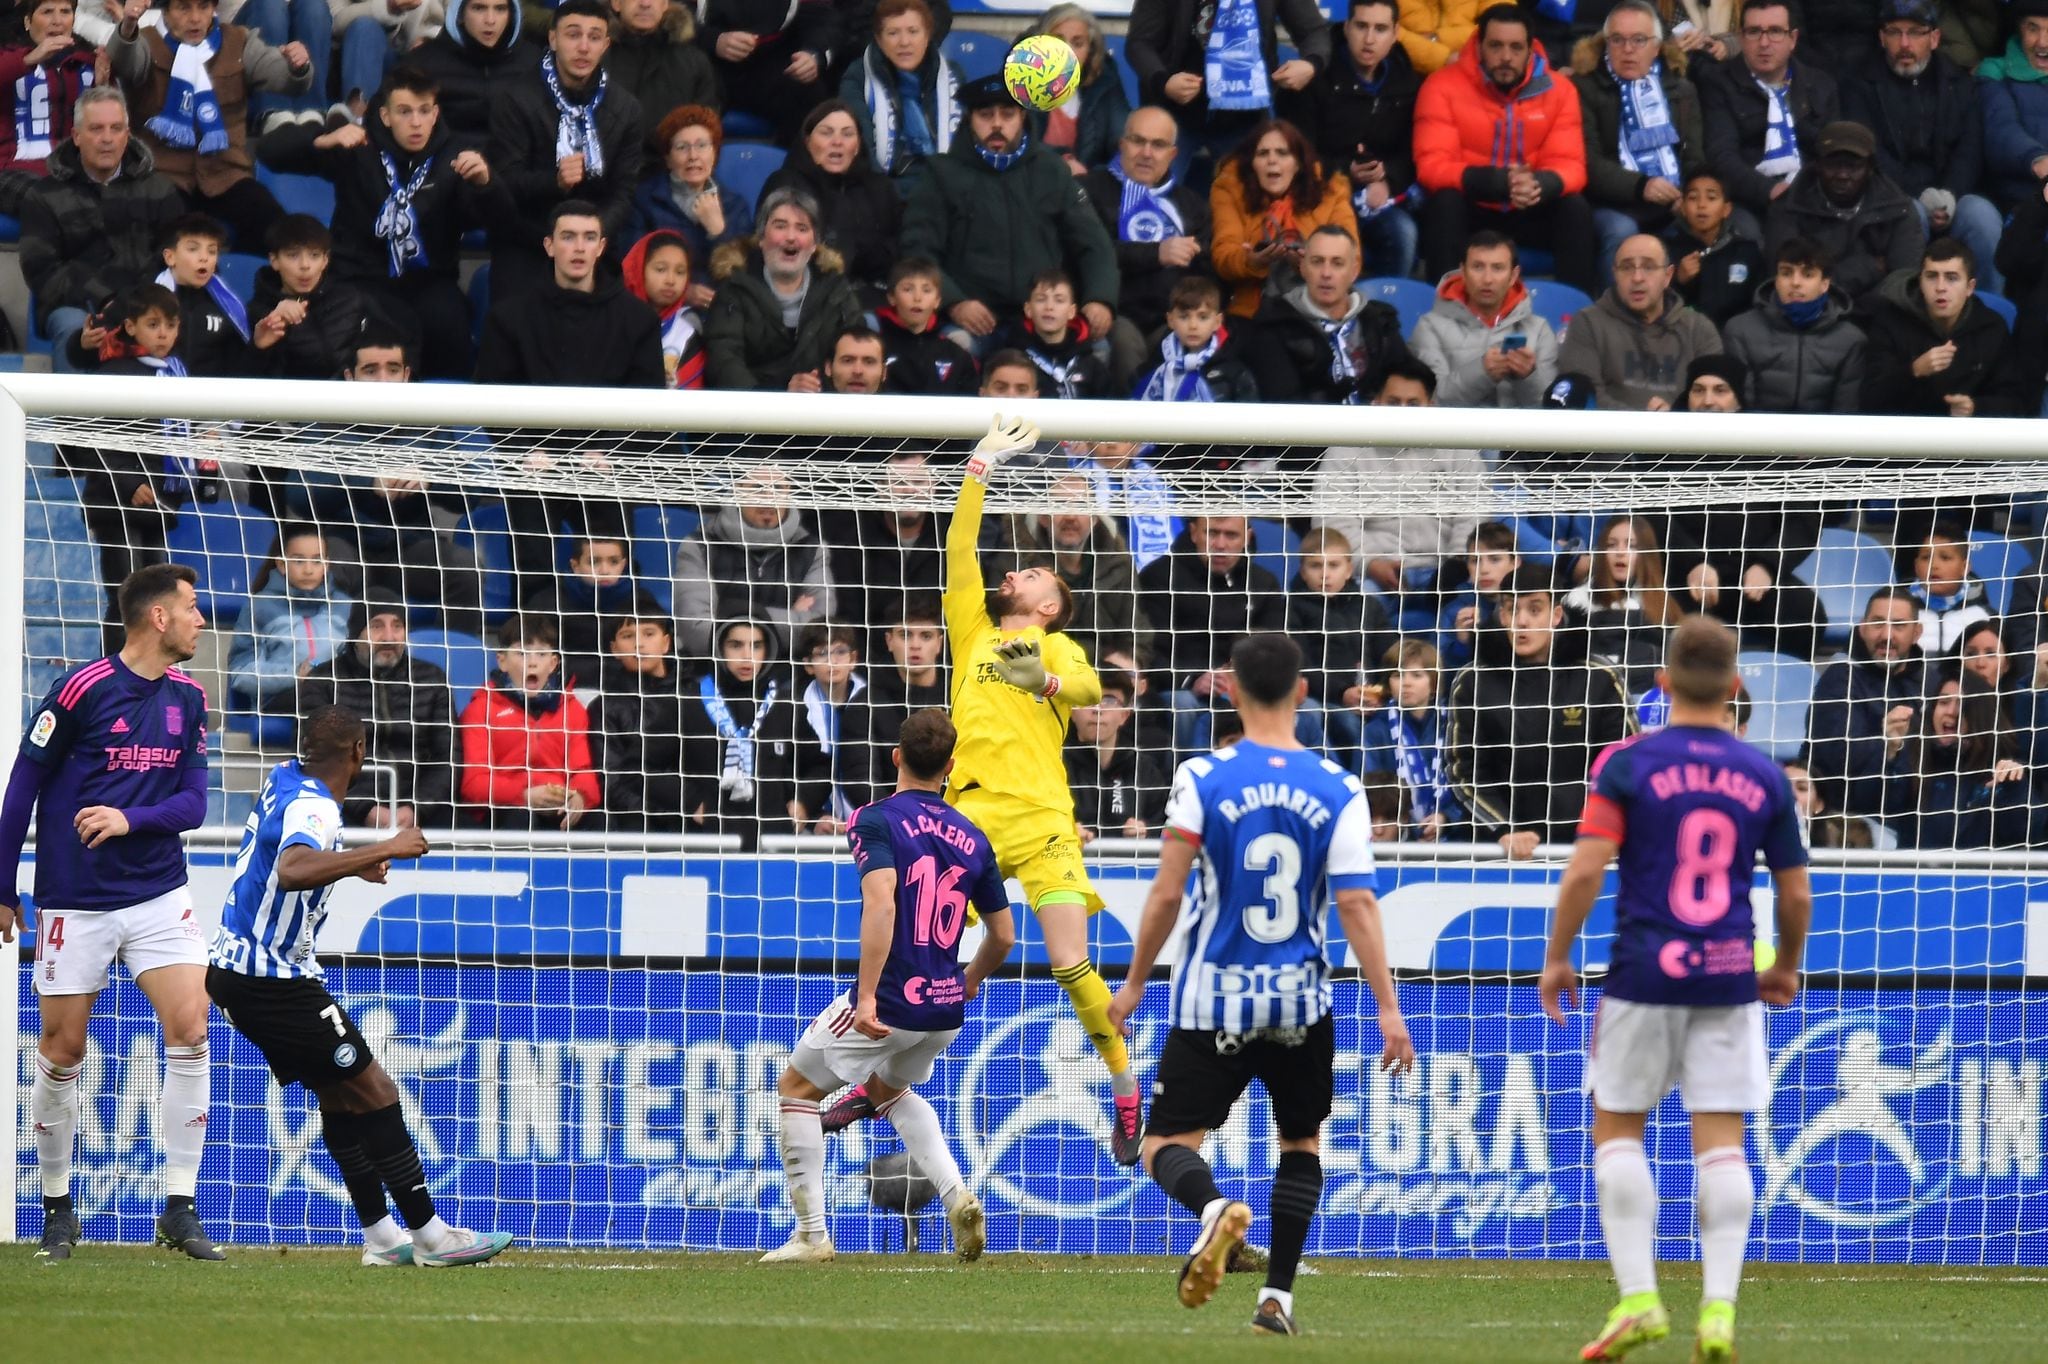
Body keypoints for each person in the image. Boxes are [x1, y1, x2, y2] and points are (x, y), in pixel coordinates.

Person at [824, 416, 1136, 1158]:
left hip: (1049, 821)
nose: (1013, 573)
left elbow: (1092, 686)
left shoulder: (1055, 645)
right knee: (927, 963)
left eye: (1030, 575)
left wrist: (1048, 679)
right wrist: (980, 464)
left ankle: (1125, 1090)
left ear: (1051, 604)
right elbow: (959, 547)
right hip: (971, 822)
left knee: (1069, 963)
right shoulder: (971, 630)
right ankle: (877, 1086)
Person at [1107, 631, 1414, 1338]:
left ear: (1233, 693)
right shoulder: (1339, 788)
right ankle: (1277, 1299)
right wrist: (1388, 1009)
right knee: (1300, 1145)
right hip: (1302, 1000)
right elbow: (1357, 904)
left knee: (1164, 1146)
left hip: (1212, 995)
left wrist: (1130, 988)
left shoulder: (1201, 777)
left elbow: (1166, 892)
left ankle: (1214, 1211)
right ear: (1302, 694)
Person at [1540, 615, 1811, 1364]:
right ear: (1735, 687)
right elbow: (1795, 893)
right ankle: (1718, 1312)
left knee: (1617, 1129)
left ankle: (1639, 1299)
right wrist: (1785, 964)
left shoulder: (1625, 763)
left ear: (1660, 682)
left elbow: (1587, 868)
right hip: (1728, 974)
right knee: (1722, 1146)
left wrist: (1558, 956)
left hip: (1641, 973)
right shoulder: (1764, 776)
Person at [205, 707, 514, 1268]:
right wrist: (384, 848)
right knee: (375, 1090)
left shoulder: (285, 777)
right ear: (358, 753)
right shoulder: (316, 806)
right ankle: (431, 1236)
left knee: (338, 1094)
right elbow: (294, 868)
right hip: (271, 979)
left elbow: (287, 854)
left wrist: (351, 864)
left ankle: (380, 1236)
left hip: (237, 969)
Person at [0, 564, 219, 1261]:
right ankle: (58, 1208)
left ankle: (179, 1209)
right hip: (76, 900)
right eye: (191, 608)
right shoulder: (79, 690)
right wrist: (3, 888)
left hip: (160, 892)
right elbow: (21, 789)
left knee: (191, 1028)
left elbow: (194, 805)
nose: (201, 620)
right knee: (63, 1050)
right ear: (158, 618)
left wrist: (129, 819)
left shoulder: (191, 695)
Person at [766, 707, 1014, 1263]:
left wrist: (869, 997)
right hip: (943, 1011)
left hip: (894, 999)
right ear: (950, 766)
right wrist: (968, 981)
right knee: (890, 1091)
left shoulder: (875, 819)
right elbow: (1003, 935)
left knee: (796, 1091)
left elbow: (880, 904)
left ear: (896, 756)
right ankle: (957, 1198)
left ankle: (811, 1237)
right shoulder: (973, 837)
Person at [255, 66, 501, 380]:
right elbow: (268, 152)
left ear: (435, 113)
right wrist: (321, 139)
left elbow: (497, 220)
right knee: (352, 320)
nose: (415, 122)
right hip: (357, 278)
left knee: (448, 318)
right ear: (385, 116)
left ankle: (446, 423)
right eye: (404, 111)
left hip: (429, 280)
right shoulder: (358, 147)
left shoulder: (454, 156)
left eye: (424, 111)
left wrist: (486, 184)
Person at [899, 74, 1121, 354]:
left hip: (1042, 315)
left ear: (1023, 117)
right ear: (969, 119)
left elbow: (1095, 244)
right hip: (971, 319)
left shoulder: (1051, 171)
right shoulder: (941, 174)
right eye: (985, 114)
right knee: (955, 351)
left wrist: (1100, 299)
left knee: (1099, 350)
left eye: (1007, 114)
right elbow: (918, 251)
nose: (996, 124)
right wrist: (955, 303)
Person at [1447, 563, 1635, 857]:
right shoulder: (1473, 680)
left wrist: (1598, 829)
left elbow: (1623, 763)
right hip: (1499, 852)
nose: (1521, 621)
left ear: (1556, 615)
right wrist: (1503, 829)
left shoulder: (1598, 677)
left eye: (1534, 610)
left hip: (1587, 846)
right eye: (1511, 609)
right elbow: (1464, 772)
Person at [1414, 4, 1597, 292]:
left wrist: (1541, 184)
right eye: (1496, 46)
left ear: (1530, 49)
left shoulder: (1560, 90)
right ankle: (1444, 308)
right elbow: (1431, 165)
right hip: (1472, 205)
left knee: (1574, 208)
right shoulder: (1441, 86)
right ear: (1479, 46)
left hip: (1529, 206)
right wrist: (1493, 181)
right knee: (1444, 202)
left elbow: (1571, 164)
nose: (1506, 57)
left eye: (1515, 47)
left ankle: (1576, 315)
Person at [107, 0, 311, 247]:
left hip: (227, 174)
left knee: (281, 234)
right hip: (165, 176)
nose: (195, 18)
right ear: (166, 12)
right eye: (184, 8)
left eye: (203, 7)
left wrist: (298, 66)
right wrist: (128, 26)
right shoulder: (148, 42)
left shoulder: (238, 41)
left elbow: (285, 78)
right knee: (162, 240)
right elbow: (124, 62)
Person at [487, 0, 644, 302]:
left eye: (594, 37)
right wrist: (553, 182)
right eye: (573, 35)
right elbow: (504, 182)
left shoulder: (626, 109)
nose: (584, 47)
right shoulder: (514, 99)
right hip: (528, 241)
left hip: (595, 245)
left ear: (606, 45)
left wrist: (589, 238)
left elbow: (623, 193)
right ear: (553, 39)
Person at [1841, 0, 2001, 293]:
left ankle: (1991, 314)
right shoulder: (1859, 84)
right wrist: (1918, 196)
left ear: (1935, 38)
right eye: (1894, 32)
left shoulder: (1959, 83)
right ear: (1881, 37)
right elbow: (1870, 154)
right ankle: (1911, 313)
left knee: (1982, 216)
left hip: (1951, 195)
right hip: (1896, 196)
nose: (1904, 43)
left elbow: (1969, 150)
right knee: (1910, 213)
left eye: (1915, 33)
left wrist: (1950, 195)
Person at [20, 86, 186, 368]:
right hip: (78, 306)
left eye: (116, 128)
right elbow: (42, 271)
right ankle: (71, 414)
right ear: (76, 137)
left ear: (127, 134)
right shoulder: (43, 196)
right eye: (96, 129)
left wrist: (136, 303)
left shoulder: (160, 189)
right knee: (75, 327)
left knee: (188, 319)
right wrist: (104, 298)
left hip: (149, 303)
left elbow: (175, 255)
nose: (107, 139)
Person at [1310, 359, 1488, 605]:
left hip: (1447, 573)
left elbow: (1474, 514)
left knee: (1473, 608)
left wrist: (1455, 564)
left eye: (1413, 404)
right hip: (1372, 576)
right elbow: (1332, 523)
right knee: (1357, 605)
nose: (1403, 411)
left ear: (1431, 406)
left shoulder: (1459, 447)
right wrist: (1372, 563)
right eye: (1394, 402)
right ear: (1376, 404)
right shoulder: (1345, 449)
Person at [1569, 0, 1708, 272]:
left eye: (1639, 40)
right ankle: (1614, 311)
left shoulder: (1682, 89)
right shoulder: (1583, 87)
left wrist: (1689, 194)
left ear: (1657, 47)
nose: (1628, 49)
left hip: (1671, 197)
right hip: (1607, 202)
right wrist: (1641, 185)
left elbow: (1693, 156)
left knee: (1706, 221)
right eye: (1618, 40)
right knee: (1623, 231)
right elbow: (1590, 163)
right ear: (1605, 43)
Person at [298, 598, 456, 829]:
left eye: (397, 626)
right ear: (356, 633)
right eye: (377, 626)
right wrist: (364, 808)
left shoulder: (431, 680)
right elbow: (315, 758)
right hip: (344, 807)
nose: (389, 637)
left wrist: (416, 808)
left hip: (420, 810)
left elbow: (449, 757)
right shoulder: (324, 681)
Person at [473, 199, 666, 387]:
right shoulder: (507, 319)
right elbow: (494, 406)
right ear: (549, 246)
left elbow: (646, 408)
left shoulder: (640, 321)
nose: (579, 248)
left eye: (589, 237)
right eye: (568, 237)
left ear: (601, 247)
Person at [1137, 514, 1289, 741]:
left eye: (1231, 535)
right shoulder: (1158, 577)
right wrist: (1193, 679)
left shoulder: (1264, 583)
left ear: (1247, 537)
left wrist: (1242, 676)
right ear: (1193, 532)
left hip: (1245, 687)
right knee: (1182, 703)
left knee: (1308, 708)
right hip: (1182, 687)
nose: (1220, 544)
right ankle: (1182, 774)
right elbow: (1149, 652)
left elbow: (1276, 645)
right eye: (1212, 533)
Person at [1081, 106, 1209, 376]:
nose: (1147, 153)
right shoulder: (1089, 189)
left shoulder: (1191, 205)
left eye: (1159, 145)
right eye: (1138, 141)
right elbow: (1092, 251)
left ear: (1173, 154)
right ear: (1122, 144)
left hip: (1173, 318)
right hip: (1115, 313)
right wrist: (1157, 253)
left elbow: (1206, 268)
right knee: (1125, 345)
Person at [1301, 0, 1422, 280]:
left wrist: (1387, 178)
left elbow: (1413, 153)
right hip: (1320, 196)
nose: (1369, 39)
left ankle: (1385, 318)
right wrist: (1345, 171)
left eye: (1380, 29)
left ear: (1395, 34)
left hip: (1378, 198)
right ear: (1346, 28)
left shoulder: (1406, 81)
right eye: (1361, 26)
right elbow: (1296, 153)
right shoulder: (1316, 77)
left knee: (1403, 233)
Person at [704, 184, 864, 391]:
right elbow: (723, 362)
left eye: (802, 228)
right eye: (780, 226)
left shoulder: (837, 291)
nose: (791, 237)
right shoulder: (734, 289)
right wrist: (781, 393)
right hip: (754, 415)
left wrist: (815, 389)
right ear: (761, 237)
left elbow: (856, 356)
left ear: (815, 243)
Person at [1123, 0, 1332, 158]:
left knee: (1252, 201)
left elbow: (1313, 32)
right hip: (1173, 113)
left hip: (1243, 115)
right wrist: (1164, 82)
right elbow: (1139, 43)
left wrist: (1311, 63)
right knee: (1148, 197)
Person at [1696, 0, 1839, 229]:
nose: (1764, 43)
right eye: (1754, 32)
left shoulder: (1820, 84)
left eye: (1775, 32)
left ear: (1792, 39)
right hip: (1748, 200)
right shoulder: (1718, 83)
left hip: (1813, 195)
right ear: (1741, 38)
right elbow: (1722, 157)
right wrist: (1770, 190)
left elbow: (1833, 152)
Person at [672, 464, 835, 658]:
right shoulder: (699, 545)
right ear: (737, 490)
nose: (768, 498)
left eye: (777, 488)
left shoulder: (812, 550)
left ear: (789, 493)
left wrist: (726, 615)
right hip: (713, 674)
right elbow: (696, 631)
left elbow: (819, 631)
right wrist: (789, 617)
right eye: (757, 488)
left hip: (789, 674)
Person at [459, 613, 602, 830]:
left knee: (597, 822)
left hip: (557, 804)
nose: (533, 662)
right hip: (503, 808)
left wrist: (580, 797)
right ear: (502, 661)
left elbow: (582, 770)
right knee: (520, 818)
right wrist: (525, 795)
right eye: (522, 653)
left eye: (542, 654)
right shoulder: (480, 709)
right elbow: (474, 783)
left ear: (554, 663)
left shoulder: (572, 709)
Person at [1244, 223, 1409, 409]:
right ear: (1303, 267)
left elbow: (1410, 384)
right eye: (1317, 261)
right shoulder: (1273, 325)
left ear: (1354, 271)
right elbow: (1285, 409)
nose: (1326, 273)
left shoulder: (1381, 320)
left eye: (1337, 263)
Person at [1762, 119, 1923, 308]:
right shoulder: (1788, 207)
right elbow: (1789, 284)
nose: (1842, 175)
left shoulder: (1899, 208)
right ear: (1817, 165)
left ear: (1870, 168)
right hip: (1805, 315)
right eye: (1833, 165)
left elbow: (1902, 286)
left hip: (1875, 317)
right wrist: (1869, 267)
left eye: (1853, 166)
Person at [1804, 585, 1932, 820]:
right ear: (1862, 628)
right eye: (1877, 623)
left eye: (1899, 625)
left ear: (1917, 633)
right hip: (1848, 817)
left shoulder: (1932, 683)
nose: (1887, 635)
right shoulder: (1839, 678)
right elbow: (1834, 757)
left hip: (1915, 816)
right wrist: (1887, 745)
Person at [1862, 237, 2028, 416]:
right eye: (1932, 276)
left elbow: (2015, 403)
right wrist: (1914, 371)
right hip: (1905, 436)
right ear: (1920, 282)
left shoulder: (1992, 328)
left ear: (1970, 287)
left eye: (1952, 278)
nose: (1940, 287)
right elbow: (1869, 400)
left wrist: (1975, 408)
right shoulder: (1889, 321)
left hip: (1970, 438)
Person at [1209, 117, 1356, 318]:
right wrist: (1251, 261)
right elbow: (1223, 256)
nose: (1272, 160)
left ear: (1298, 164)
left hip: (1318, 311)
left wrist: (1310, 264)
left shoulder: (1332, 192)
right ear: (1252, 163)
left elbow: (1352, 257)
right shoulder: (1230, 188)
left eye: (1282, 153)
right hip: (1253, 311)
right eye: (1262, 153)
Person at [1558, 232, 1724, 409]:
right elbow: (1584, 397)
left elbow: (1714, 400)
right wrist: (1644, 424)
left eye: (1649, 267)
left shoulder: (1699, 329)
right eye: (1627, 267)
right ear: (1615, 274)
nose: (1637, 278)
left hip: (1681, 435)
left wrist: (1673, 418)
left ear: (1668, 276)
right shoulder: (1587, 323)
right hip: (1609, 435)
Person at [759, 99, 900, 303]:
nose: (837, 142)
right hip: (809, 299)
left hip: (876, 297)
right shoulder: (785, 184)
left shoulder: (881, 188)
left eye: (847, 134)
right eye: (826, 133)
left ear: (858, 144)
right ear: (807, 141)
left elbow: (899, 248)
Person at [1410, 229, 1559, 407]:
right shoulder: (1429, 326)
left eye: (1498, 268)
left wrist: (1528, 376)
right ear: (1463, 272)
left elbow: (1551, 410)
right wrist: (1482, 371)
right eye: (1478, 267)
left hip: (1518, 434)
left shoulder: (1539, 329)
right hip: (1456, 434)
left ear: (1513, 276)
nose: (1487, 279)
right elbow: (1431, 401)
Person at [1286, 525, 1396, 756]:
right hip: (1320, 698)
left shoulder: (1369, 607)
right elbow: (1300, 666)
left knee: (1391, 717)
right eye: (1316, 566)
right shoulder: (1291, 609)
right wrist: (1343, 693)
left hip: (1369, 698)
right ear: (1303, 571)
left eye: (1333, 565)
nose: (1324, 574)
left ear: (1349, 569)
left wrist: (1381, 692)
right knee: (1345, 721)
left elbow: (1390, 654)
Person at [1721, 235, 1865, 412]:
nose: (1795, 283)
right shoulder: (1740, 330)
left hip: (1824, 438)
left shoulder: (1851, 340)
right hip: (1757, 436)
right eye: (1786, 273)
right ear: (1776, 279)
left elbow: (1846, 411)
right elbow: (1741, 406)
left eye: (1808, 274)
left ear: (1824, 284)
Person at [681, 618, 791, 847]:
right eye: (736, 645)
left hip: (773, 842)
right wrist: (691, 801)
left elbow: (817, 764)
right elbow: (649, 767)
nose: (746, 656)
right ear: (720, 648)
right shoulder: (688, 701)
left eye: (756, 646)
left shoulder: (786, 704)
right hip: (707, 842)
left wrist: (802, 802)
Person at [228, 523, 355, 714]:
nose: (308, 570)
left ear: (327, 565)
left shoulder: (344, 606)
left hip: (336, 694)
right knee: (320, 704)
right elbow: (241, 673)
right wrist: (294, 675)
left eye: (317, 561)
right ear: (281, 564)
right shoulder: (259, 607)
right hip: (280, 698)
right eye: (298, 561)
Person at [630, 105, 751, 307]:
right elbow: (633, 264)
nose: (693, 156)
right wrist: (682, 292)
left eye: (702, 145)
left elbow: (744, 275)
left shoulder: (734, 205)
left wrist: (719, 231)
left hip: (722, 307)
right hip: (660, 306)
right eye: (682, 147)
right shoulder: (644, 200)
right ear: (668, 159)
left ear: (715, 154)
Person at [840, 595, 948, 806]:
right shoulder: (865, 705)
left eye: (926, 636)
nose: (915, 645)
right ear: (889, 641)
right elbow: (862, 782)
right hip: (892, 827)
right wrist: (906, 821)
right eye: (905, 635)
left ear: (939, 643)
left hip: (955, 826)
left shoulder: (959, 698)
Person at [840, 0, 962, 185]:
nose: (904, 42)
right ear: (879, 39)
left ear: (928, 35)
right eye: (893, 33)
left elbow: (966, 146)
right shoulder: (858, 77)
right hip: (884, 189)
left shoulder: (953, 75)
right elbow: (860, 149)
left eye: (913, 32)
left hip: (943, 189)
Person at [0, 0, 104, 217]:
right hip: (12, 168)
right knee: (53, 202)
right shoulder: (7, 56)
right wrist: (29, 59)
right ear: (28, 21)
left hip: (75, 169)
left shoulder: (89, 62)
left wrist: (103, 86)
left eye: (65, 12)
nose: (57, 21)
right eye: (47, 12)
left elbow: (107, 125)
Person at [593, 599, 686, 832]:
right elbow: (611, 782)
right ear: (614, 649)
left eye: (648, 633)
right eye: (628, 636)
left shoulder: (698, 696)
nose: (639, 644)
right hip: (636, 822)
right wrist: (666, 814)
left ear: (666, 643)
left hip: (697, 815)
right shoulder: (605, 707)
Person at [694, 0, 838, 145]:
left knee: (809, 92)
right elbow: (675, 18)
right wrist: (714, 40)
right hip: (708, 63)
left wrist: (813, 54)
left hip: (773, 63)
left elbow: (821, 19)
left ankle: (794, 164)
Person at [247, 213, 370, 379]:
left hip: (349, 400)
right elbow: (243, 382)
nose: (305, 266)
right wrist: (260, 348)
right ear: (274, 260)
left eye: (314, 255)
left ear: (325, 260)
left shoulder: (351, 299)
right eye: (293, 255)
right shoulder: (260, 312)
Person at [1362, 636, 1462, 836]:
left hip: (1453, 834)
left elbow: (1468, 782)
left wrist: (1446, 817)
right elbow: (1371, 793)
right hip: (1395, 836)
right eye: (1398, 675)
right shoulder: (1375, 731)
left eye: (1416, 675)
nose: (1406, 683)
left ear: (1433, 684)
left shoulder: (1455, 726)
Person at [410, 0, 540, 147]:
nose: (490, 20)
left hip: (512, 163)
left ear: (512, 14)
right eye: (479, 8)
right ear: (460, 13)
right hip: (447, 162)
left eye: (500, 9)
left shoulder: (534, 62)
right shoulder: (424, 61)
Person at [521, 533, 643, 687]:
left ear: (624, 564)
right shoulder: (546, 605)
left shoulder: (641, 603)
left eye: (614, 562)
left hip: (627, 691)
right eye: (594, 562)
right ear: (575, 566)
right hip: (562, 690)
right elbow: (530, 658)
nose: (605, 570)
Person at [1066, 670, 1172, 839]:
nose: (1097, 709)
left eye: (1108, 700)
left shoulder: (1143, 770)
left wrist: (1147, 831)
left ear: (1124, 715)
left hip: (1129, 864)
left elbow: (1166, 825)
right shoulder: (1054, 763)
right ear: (1071, 712)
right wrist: (1062, 830)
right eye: (1088, 700)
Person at [607, 0, 719, 160]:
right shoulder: (593, 58)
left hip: (669, 172)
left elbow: (706, 127)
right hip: (606, 173)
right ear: (616, 3)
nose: (645, 3)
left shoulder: (693, 62)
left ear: (665, 4)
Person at [1031, 3, 1133, 171]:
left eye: (1077, 44)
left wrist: (1096, 179)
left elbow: (1124, 143)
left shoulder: (1105, 82)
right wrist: (1062, 162)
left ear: (1090, 51)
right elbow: (1014, 144)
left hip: (1089, 187)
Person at [1659, 168, 1765, 328]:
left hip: (1735, 340)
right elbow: (1656, 308)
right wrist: (1678, 281)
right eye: (1693, 198)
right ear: (1683, 208)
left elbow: (1760, 304)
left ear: (1726, 209)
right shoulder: (1667, 251)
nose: (1702, 205)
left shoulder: (1746, 251)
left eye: (1711, 197)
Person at [1132, 274, 1262, 403]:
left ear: (1217, 322)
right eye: (1184, 317)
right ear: (1170, 320)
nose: (1193, 326)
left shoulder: (1235, 374)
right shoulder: (1151, 372)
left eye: (1203, 317)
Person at [155, 210, 253, 376]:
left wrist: (259, 346)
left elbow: (241, 367)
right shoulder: (144, 301)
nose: (204, 258)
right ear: (170, 257)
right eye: (193, 249)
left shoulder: (228, 309)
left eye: (212, 251)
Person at [1974, 1, 2048, 210]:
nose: (2042, 42)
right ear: (2019, 29)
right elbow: (2001, 128)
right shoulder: (1995, 73)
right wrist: (2038, 160)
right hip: (2019, 201)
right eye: (2032, 28)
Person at [998, 267, 1113, 398]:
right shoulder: (1011, 359)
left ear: (1072, 312)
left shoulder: (1091, 366)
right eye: (1041, 299)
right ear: (1028, 309)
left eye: (1059, 300)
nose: (1049, 307)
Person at [876, 255, 977, 394]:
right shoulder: (876, 347)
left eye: (926, 290)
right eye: (908, 289)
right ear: (892, 297)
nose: (917, 298)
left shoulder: (955, 354)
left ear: (937, 301)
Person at [622, 228, 706, 388]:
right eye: (660, 269)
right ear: (638, 269)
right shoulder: (613, 319)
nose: (671, 280)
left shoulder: (687, 331)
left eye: (680, 272)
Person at [1396, 0, 1477, 74]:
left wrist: (1438, 37)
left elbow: (1487, 27)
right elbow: (1389, 31)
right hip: (1405, 67)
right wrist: (1442, 58)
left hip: (1468, 60)